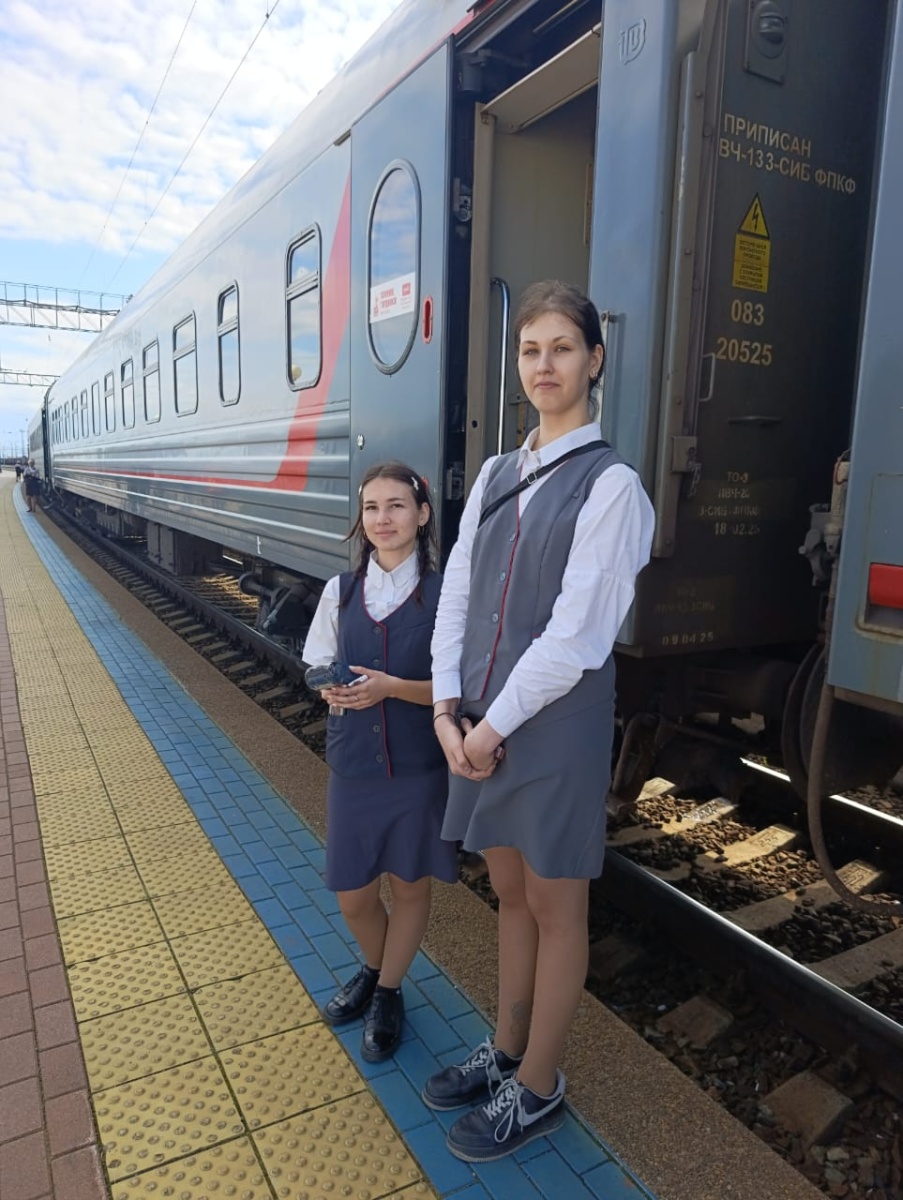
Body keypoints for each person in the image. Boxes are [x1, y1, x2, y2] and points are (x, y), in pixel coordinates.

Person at [424, 280, 655, 1161]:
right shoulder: (495, 474)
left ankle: (538, 1086)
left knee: (556, 905)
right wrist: (445, 709)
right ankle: (507, 1046)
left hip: (552, 724)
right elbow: (457, 599)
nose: (544, 365)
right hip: (480, 717)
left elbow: (576, 636)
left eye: (562, 348)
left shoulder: (612, 486)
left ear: (594, 360)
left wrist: (484, 730)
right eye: (530, 350)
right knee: (510, 891)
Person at [302, 462, 458, 1061]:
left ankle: (388, 990)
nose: (383, 518)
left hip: (418, 766)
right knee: (353, 893)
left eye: (396, 506)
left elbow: (457, 687)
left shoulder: (446, 594)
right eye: (371, 507)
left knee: (410, 886)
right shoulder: (340, 591)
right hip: (355, 767)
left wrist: (393, 688)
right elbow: (317, 662)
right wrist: (329, 689)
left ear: (422, 515)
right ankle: (374, 966)